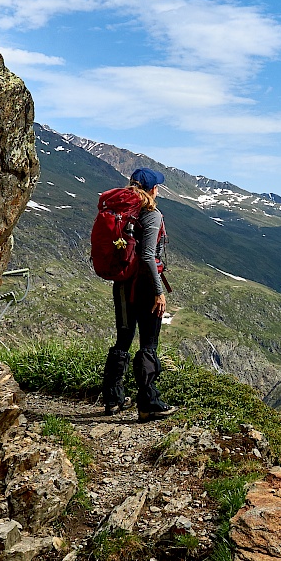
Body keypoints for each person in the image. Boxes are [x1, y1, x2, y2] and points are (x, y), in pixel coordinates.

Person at [101, 168, 176, 421]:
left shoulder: (123, 212)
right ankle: (148, 403)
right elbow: (147, 256)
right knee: (148, 344)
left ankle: (113, 399)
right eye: (158, 187)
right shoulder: (152, 215)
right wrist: (158, 292)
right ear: (152, 189)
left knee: (123, 340)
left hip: (122, 284)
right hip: (144, 286)